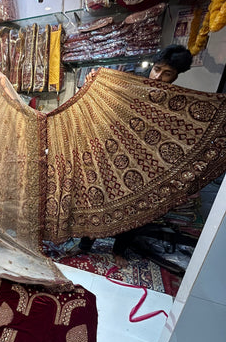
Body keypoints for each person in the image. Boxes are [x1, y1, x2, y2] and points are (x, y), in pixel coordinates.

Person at [79, 44, 193, 266]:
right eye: (157, 69)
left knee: (136, 208)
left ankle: (119, 249)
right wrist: (94, 81)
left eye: (167, 73)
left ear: (176, 76)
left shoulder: (176, 100)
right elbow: (106, 100)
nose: (158, 76)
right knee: (98, 196)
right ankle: (86, 243)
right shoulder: (132, 83)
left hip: (146, 162)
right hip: (115, 153)